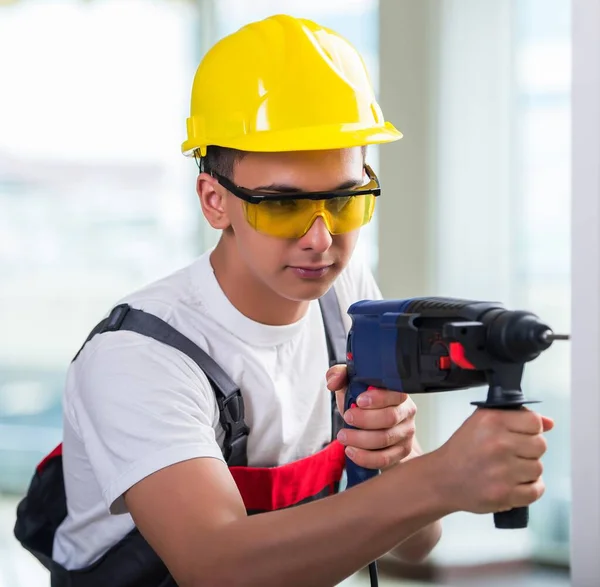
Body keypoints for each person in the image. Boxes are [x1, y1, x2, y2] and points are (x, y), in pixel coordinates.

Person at [15, 13, 553, 587]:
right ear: (214, 200)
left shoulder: (341, 297)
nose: (321, 240)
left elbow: (417, 545)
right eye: (282, 205)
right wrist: (441, 477)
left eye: (345, 201)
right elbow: (214, 565)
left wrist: (399, 455)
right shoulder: (138, 356)